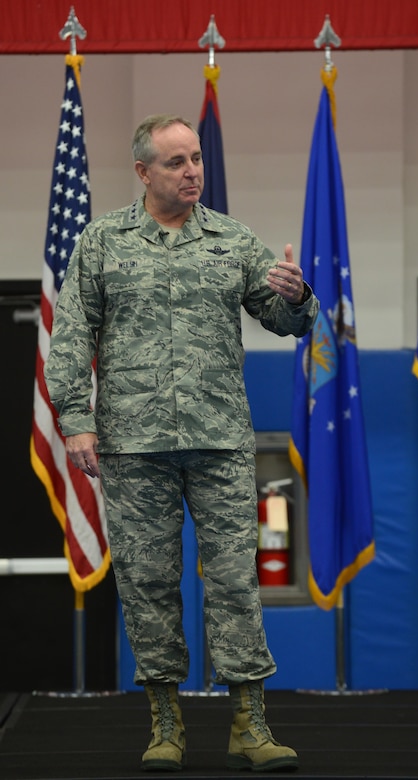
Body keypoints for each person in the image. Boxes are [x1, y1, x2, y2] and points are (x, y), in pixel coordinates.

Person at [45, 114, 319, 773]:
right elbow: (72, 335)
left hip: (218, 439)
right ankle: (164, 725)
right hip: (133, 443)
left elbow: (280, 321)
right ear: (143, 172)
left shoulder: (232, 239)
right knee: (147, 580)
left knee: (233, 580)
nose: (192, 170)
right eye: (175, 162)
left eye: (195, 158)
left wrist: (298, 296)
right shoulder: (103, 240)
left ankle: (249, 725)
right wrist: (75, 417)